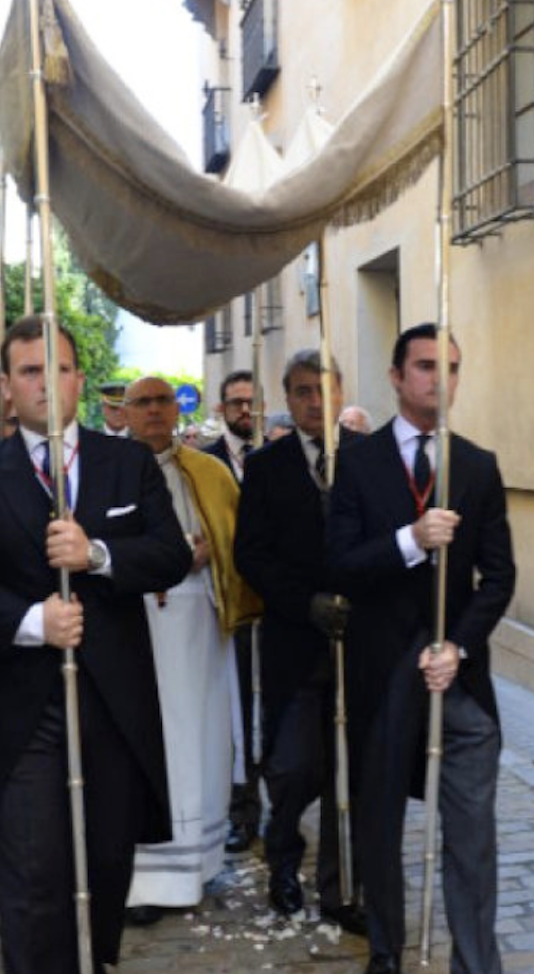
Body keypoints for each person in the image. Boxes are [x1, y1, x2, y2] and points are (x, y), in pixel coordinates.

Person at [0, 318, 192, 974]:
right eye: (31, 371)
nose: (48, 383)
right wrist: (30, 620)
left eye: (61, 368)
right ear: (9, 388)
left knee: (103, 867)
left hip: (113, 707)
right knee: (33, 877)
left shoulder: (126, 462)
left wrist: (97, 554)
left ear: (79, 378)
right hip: (19, 712)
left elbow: (169, 554)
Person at [328, 324, 514, 974]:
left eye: (453, 367)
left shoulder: (479, 466)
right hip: (383, 678)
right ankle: (386, 950)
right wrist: (410, 539)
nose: (441, 378)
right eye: (428, 365)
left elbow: (501, 576)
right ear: (398, 376)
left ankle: (476, 963)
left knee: (472, 840)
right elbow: (340, 564)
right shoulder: (355, 462)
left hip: (457, 683)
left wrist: (459, 647)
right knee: (379, 829)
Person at [233, 350, 369, 936]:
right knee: (291, 767)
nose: (315, 401)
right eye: (302, 391)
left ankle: (343, 887)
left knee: (352, 771)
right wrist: (303, 603)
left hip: (359, 645)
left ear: (340, 393)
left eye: (323, 389)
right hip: (293, 644)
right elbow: (251, 555)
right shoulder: (266, 467)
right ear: (286, 399)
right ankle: (283, 860)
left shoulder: (371, 459)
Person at [118, 376, 260, 923]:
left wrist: (206, 559)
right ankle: (142, 875)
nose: (154, 411)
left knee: (197, 741)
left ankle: (196, 864)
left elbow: (235, 544)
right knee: (147, 742)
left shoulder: (210, 471)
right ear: (125, 412)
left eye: (162, 402)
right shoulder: (108, 472)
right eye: (143, 403)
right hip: (134, 625)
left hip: (198, 625)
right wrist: (162, 559)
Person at [200, 369, 263, 854]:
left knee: (269, 710)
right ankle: (241, 811)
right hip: (225, 606)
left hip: (273, 607)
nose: (245, 410)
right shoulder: (205, 463)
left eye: (251, 402)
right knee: (237, 711)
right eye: (236, 402)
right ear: (221, 408)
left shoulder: (274, 458)